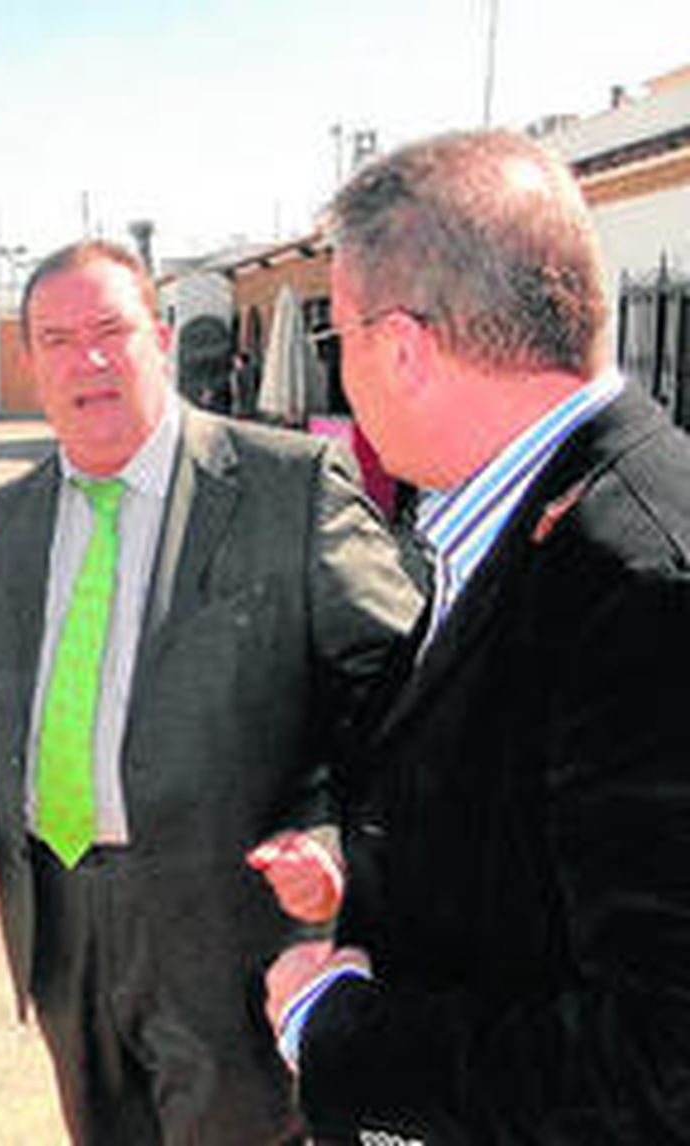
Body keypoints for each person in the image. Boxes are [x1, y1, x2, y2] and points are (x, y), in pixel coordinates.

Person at [0, 239, 421, 1144]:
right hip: (62, 930)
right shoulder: (2, 521)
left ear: (158, 333)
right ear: (31, 363)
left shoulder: (287, 488)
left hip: (237, 935)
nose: (88, 358)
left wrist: (338, 841)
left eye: (111, 329)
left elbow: (403, 706)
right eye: (57, 339)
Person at [262, 129, 690, 1144]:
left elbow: (660, 1070)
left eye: (341, 339)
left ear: (400, 346)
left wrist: (339, 1032)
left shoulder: (640, 583)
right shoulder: (537, 522)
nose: (345, 377)